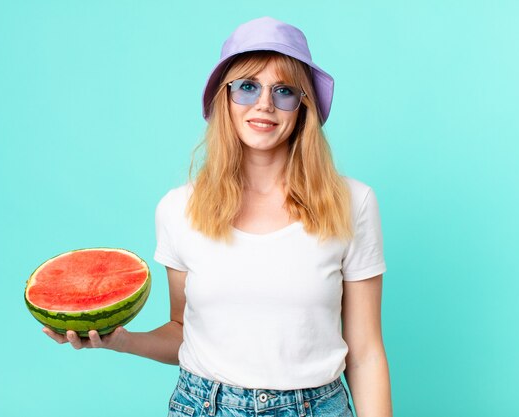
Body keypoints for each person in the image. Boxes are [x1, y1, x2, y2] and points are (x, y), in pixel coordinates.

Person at [44, 16, 393, 417]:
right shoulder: (178, 209)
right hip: (204, 406)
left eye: (283, 91)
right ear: (224, 98)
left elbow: (365, 354)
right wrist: (118, 340)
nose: (264, 104)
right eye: (248, 87)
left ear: (303, 106)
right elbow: (182, 333)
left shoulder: (352, 202)